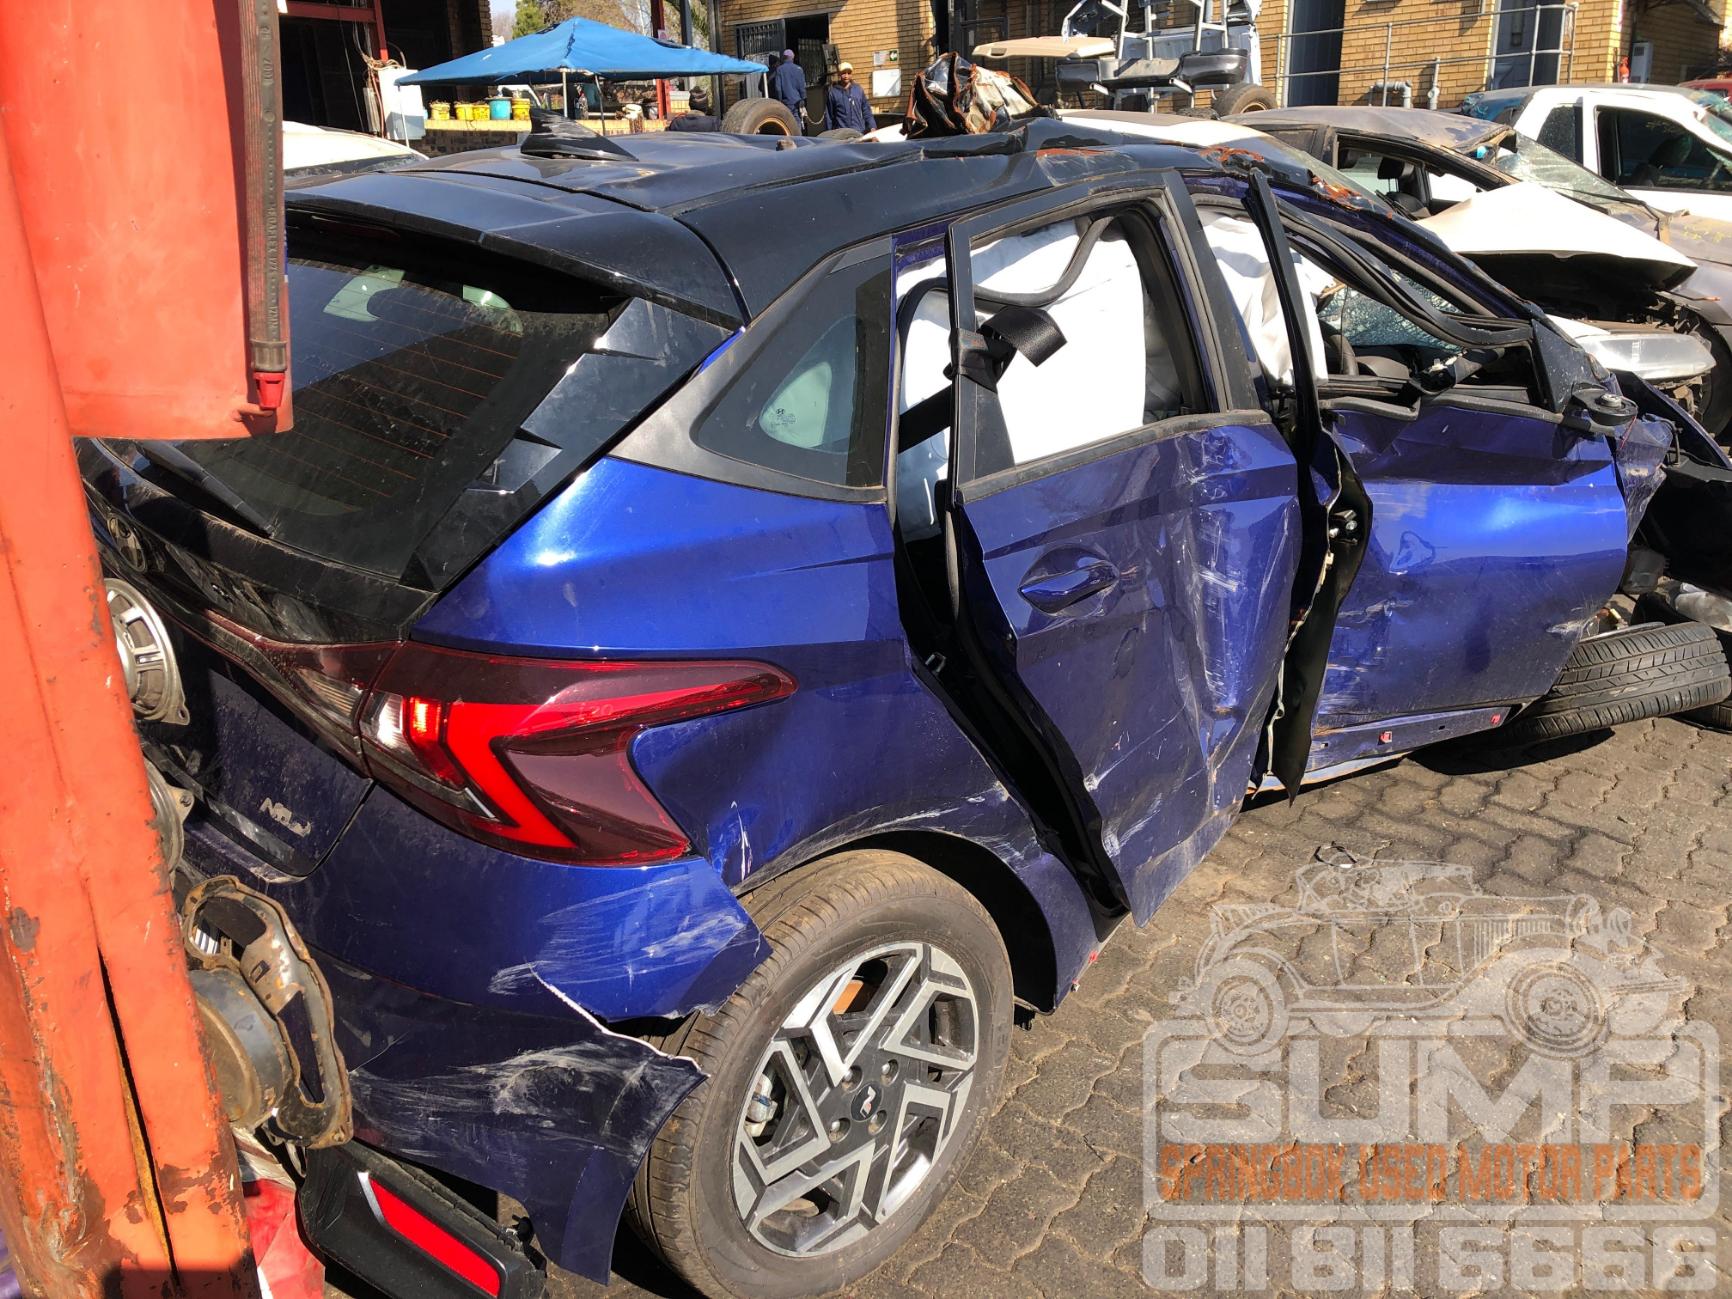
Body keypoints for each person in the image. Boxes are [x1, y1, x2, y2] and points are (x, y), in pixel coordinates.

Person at [823, 61, 875, 134]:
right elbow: (829, 116)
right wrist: (828, 134)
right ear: (839, 74)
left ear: (851, 74)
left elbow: (866, 110)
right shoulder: (833, 93)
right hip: (841, 134)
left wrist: (872, 126)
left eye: (849, 73)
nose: (846, 76)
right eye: (843, 73)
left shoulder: (858, 90)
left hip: (858, 132)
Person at [768, 49, 807, 123]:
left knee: (787, 123)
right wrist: (803, 99)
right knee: (797, 122)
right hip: (797, 102)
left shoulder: (779, 69)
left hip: (785, 102)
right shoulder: (799, 69)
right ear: (793, 57)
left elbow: (778, 88)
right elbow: (802, 87)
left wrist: (780, 101)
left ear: (784, 58)